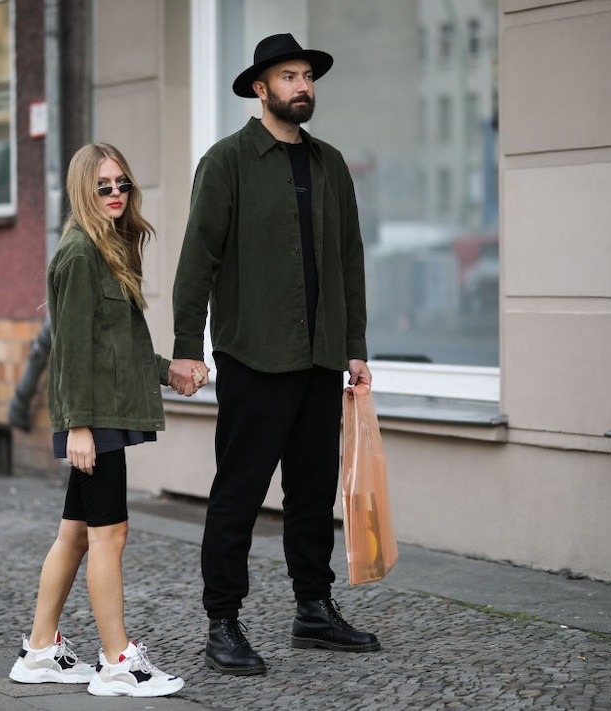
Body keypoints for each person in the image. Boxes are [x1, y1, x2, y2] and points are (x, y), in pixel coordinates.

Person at [169, 33, 380, 676]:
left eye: (307, 76)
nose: (302, 86)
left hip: (319, 359)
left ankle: (313, 610)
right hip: (254, 356)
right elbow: (197, 260)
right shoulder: (227, 161)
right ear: (261, 88)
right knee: (239, 491)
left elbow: (348, 261)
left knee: (313, 494)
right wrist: (185, 347)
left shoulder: (330, 164)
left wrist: (355, 349)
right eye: (289, 77)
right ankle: (222, 623)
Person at [9, 143, 201, 697]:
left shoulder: (110, 247)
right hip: (94, 420)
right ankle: (119, 662)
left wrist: (171, 374)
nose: (116, 194)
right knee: (109, 534)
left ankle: (41, 650)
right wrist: (78, 427)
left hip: (103, 412)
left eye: (122, 184)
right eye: (104, 186)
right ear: (82, 192)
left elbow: (119, 347)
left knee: (75, 534)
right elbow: (69, 351)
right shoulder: (78, 255)